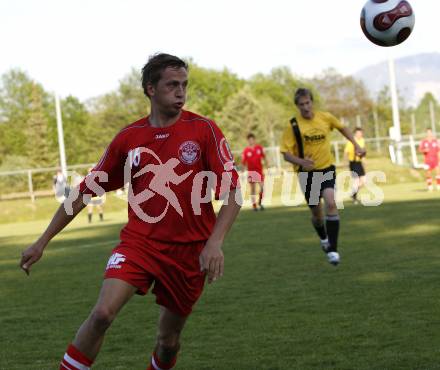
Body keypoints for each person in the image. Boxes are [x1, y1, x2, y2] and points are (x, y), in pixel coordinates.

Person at [20, 53, 241, 370]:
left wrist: (215, 242)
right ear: (151, 89)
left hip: (189, 253)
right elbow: (83, 192)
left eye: (184, 85)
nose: (181, 92)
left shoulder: (203, 130)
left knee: (168, 341)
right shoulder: (129, 139)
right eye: (172, 85)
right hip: (140, 245)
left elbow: (233, 191)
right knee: (101, 314)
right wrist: (42, 241)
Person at [280, 88, 365, 266]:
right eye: (301, 104)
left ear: (312, 102)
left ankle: (333, 249)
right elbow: (286, 154)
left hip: (326, 169)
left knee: (331, 203)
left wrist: (356, 144)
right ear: (297, 106)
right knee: (317, 215)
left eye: (308, 103)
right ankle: (324, 238)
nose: (305, 107)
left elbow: (343, 128)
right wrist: (302, 162)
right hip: (306, 174)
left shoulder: (325, 117)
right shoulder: (293, 125)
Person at [241, 133, 266, 211]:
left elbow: (264, 157)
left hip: (259, 171)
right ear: (248, 141)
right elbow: (243, 162)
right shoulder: (246, 150)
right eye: (249, 140)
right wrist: (242, 171)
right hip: (251, 172)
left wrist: (268, 165)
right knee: (253, 190)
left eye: (252, 139)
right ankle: (254, 205)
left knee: (262, 188)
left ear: (254, 140)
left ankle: (260, 202)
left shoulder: (259, 148)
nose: (251, 141)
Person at [344, 127, 367, 204]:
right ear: (355, 134)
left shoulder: (362, 140)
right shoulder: (351, 141)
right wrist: (345, 162)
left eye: (361, 133)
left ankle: (353, 193)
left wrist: (363, 159)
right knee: (356, 181)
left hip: (359, 163)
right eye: (358, 133)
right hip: (353, 163)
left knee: (364, 180)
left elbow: (362, 152)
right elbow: (346, 152)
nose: (360, 134)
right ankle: (354, 197)